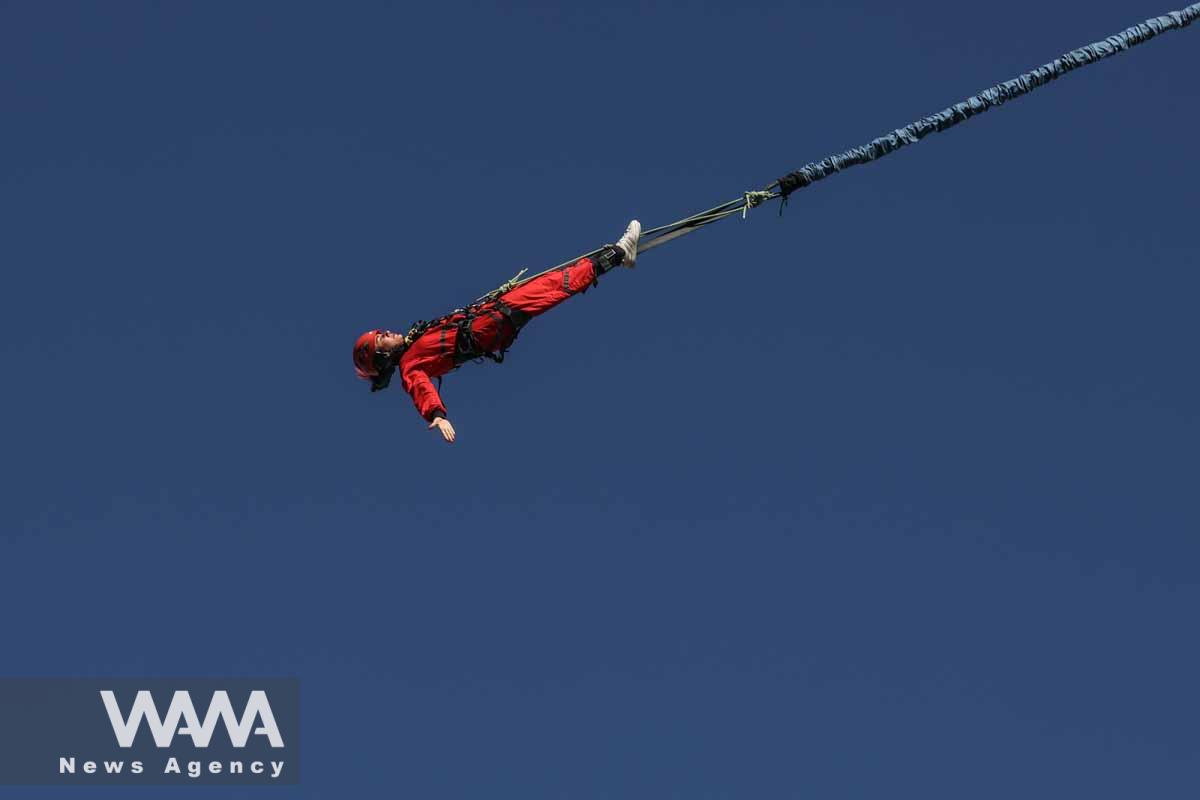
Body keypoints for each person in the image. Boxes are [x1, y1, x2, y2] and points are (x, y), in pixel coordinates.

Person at [353, 220, 642, 443]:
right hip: (488, 327)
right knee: (552, 286)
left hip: (489, 318)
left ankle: (614, 258)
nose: (389, 332)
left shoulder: (415, 342)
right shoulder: (409, 365)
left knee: (549, 285)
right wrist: (437, 415)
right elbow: (420, 388)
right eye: (383, 338)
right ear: (382, 356)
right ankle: (617, 254)